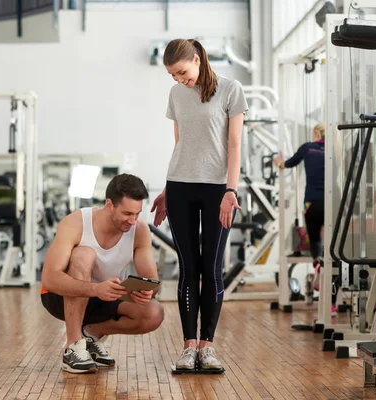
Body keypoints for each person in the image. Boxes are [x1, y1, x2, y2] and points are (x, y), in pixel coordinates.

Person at [150, 38, 248, 371]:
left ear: (196, 59)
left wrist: (231, 190)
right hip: (180, 186)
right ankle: (188, 348)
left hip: (218, 189)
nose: (179, 80)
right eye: (172, 76)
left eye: (181, 72)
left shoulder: (231, 89)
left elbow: (234, 146)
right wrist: (166, 186)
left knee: (212, 268)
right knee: (188, 268)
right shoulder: (177, 94)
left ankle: (208, 346)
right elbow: (180, 143)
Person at [40, 173, 164, 374]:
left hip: (105, 298)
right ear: (109, 205)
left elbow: (153, 281)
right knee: (83, 254)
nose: (132, 221)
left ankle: (91, 335)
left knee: (154, 312)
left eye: (137, 214)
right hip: (59, 297)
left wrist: (146, 291)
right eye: (127, 214)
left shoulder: (139, 230)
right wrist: (96, 289)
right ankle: (73, 346)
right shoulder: (76, 223)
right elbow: (49, 278)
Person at [274, 123, 339, 317]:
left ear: (317, 133)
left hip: (312, 202)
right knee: (334, 245)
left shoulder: (307, 147)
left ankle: (317, 263)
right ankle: (333, 302)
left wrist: (279, 161)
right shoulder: (336, 150)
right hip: (334, 199)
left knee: (315, 239)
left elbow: (287, 164)